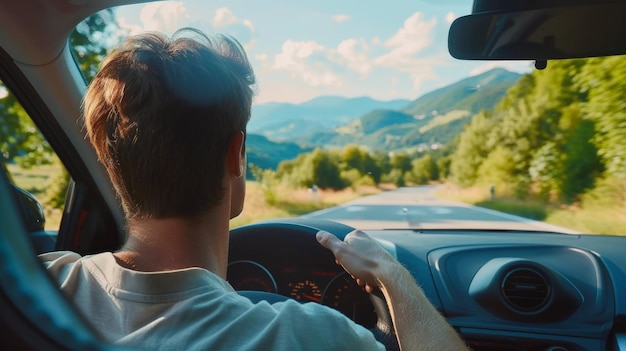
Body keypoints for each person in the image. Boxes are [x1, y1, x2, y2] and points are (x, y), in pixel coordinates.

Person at [40, 28, 468, 351]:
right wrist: (392, 277)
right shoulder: (313, 336)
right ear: (236, 153)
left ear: (108, 162)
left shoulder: (40, 283)